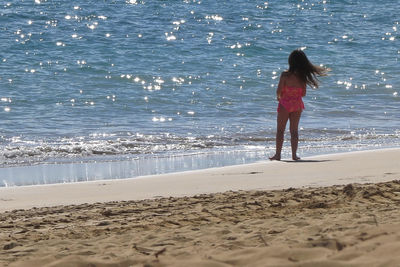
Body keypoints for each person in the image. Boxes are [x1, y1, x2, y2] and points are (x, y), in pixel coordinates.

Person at [269, 49, 328, 161]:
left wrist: (279, 97)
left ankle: (278, 155)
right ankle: (294, 155)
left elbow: (279, 91)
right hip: (297, 105)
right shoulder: (302, 77)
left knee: (280, 131)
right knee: (294, 131)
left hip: (284, 104)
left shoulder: (285, 75)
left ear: (290, 61)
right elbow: (304, 93)